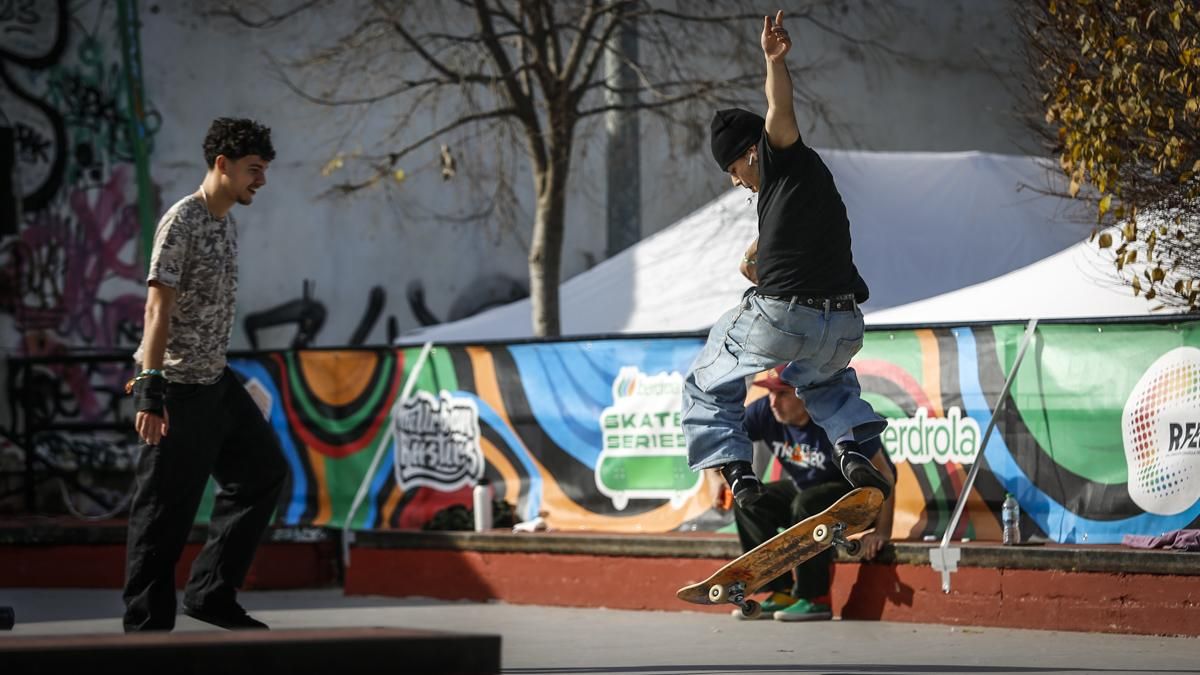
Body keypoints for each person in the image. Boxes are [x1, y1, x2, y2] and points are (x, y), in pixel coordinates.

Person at [682, 10, 891, 508]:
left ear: (751, 152)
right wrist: (754, 256)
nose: (737, 182)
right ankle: (849, 449)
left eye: (733, 169)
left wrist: (774, 61)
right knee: (826, 382)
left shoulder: (780, 154)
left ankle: (738, 471)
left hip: (787, 316)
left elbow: (779, 110)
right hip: (842, 322)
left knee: (707, 378)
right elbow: (785, 240)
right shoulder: (801, 187)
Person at [123, 118, 287, 632]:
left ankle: (211, 594)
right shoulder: (182, 221)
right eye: (253, 169)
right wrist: (150, 389)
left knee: (263, 473)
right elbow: (157, 309)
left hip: (216, 382)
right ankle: (145, 632)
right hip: (176, 389)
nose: (261, 180)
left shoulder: (225, 222)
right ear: (223, 165)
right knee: (162, 517)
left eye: (263, 170)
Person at [712, 366, 895, 621]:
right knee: (751, 501)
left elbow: (885, 475)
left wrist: (883, 531)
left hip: (856, 497)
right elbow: (721, 444)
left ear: (804, 394)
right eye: (770, 394)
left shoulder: (835, 416)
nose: (773, 402)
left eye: (782, 394)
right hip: (806, 491)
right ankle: (782, 591)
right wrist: (718, 481)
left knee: (808, 504)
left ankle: (815, 598)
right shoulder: (764, 411)